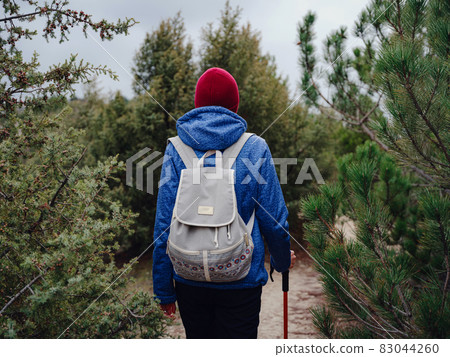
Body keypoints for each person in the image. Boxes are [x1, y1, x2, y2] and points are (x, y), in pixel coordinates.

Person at [152, 67, 296, 339]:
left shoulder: (176, 148)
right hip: (241, 281)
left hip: (188, 277)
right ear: (235, 105)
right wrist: (281, 261)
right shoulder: (255, 148)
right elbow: (274, 220)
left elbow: (164, 224)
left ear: (197, 104)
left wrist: (164, 289)